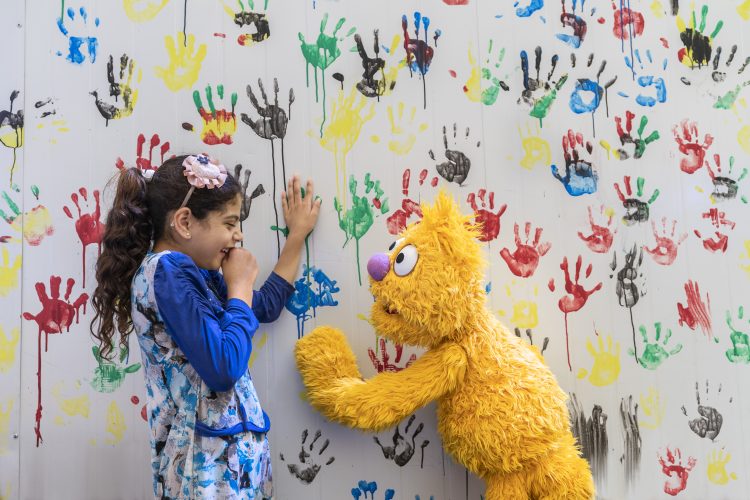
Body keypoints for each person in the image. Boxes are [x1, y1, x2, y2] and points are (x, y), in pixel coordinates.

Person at [90, 153, 321, 498]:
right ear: (184, 222)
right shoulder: (167, 272)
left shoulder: (200, 276)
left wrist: (297, 236)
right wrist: (239, 287)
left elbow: (266, 307)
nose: (238, 235)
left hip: (232, 469)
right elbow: (223, 367)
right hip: (205, 475)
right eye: (229, 224)